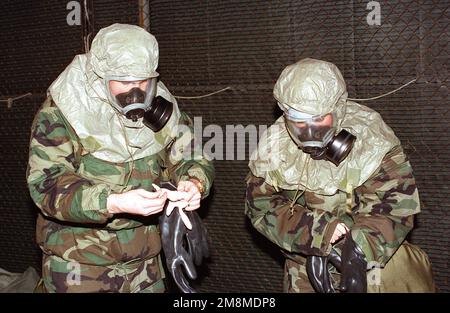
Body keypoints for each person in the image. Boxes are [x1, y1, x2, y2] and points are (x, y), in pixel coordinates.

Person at [27, 23, 214, 293]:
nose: (136, 92)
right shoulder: (62, 114)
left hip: (147, 266)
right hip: (80, 269)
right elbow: (46, 185)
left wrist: (193, 182)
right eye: (124, 82)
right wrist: (113, 202)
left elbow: (191, 153)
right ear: (99, 77)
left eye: (143, 82)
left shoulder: (161, 105)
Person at [245, 58, 435, 292]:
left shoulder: (372, 139)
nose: (309, 132)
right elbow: (261, 206)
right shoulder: (274, 148)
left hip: (372, 263)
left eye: (318, 119)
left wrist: (357, 251)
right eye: (298, 123)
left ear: (337, 109)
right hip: (303, 267)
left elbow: (396, 206)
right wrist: (316, 233)